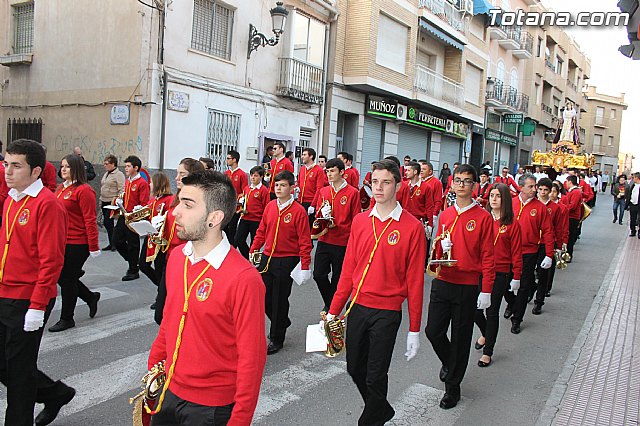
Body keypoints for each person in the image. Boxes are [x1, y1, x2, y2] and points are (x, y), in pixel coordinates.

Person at [147, 170, 266, 426]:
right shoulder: (178, 258)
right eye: (179, 201)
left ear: (214, 218)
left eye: (187, 204)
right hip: (169, 391)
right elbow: (169, 321)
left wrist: (240, 420)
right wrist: (154, 369)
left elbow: (251, 360)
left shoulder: (244, 279)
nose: (175, 212)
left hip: (212, 409)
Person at [326, 159, 426, 424]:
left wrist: (414, 329)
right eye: (375, 182)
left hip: (388, 311)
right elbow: (348, 271)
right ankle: (381, 409)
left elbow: (415, 281)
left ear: (397, 185)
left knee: (375, 374)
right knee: (354, 367)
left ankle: (371, 419)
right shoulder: (361, 221)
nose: (379, 188)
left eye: (386, 182)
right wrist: (333, 311)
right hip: (358, 307)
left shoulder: (413, 227)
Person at [0, 139, 75, 426]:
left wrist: (37, 305)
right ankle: (55, 393)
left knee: (19, 373)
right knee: (5, 365)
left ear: (35, 172)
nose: (8, 171)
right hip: (5, 293)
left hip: (28, 298)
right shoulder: (11, 199)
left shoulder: (48, 205)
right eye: (7, 164)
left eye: (16, 166)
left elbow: (51, 261)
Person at [426, 164, 494, 409]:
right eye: (458, 180)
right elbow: (437, 245)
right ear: (452, 183)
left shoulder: (483, 217)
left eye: (467, 181)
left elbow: (488, 256)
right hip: (443, 280)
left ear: (474, 185)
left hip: (467, 285)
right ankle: (450, 363)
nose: (462, 184)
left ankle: (452, 388)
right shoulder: (446, 214)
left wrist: (486, 289)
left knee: (461, 338)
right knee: (433, 332)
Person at [250, 170, 312, 355]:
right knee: (262, 296)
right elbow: (262, 230)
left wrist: (305, 265)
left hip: (287, 260)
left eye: (283, 185)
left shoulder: (298, 211)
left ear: (292, 188)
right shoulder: (270, 206)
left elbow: (304, 241)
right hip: (268, 257)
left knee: (279, 300)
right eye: (276, 185)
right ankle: (282, 321)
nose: (278, 188)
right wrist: (254, 248)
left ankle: (276, 338)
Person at [48, 154, 102, 332]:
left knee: (66, 279)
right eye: (62, 166)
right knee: (64, 278)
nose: (63, 169)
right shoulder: (61, 188)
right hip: (62, 240)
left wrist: (93, 246)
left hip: (78, 242)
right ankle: (90, 297)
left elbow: (89, 220)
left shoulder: (84, 190)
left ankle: (67, 318)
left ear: (76, 169)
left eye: (67, 167)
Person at [473, 183, 521, 368]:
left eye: (498, 196)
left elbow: (516, 252)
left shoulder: (511, 224)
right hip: (479, 270)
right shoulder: (483, 219)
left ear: (505, 200)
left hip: (500, 272)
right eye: (491, 195)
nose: (493, 199)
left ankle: (488, 351)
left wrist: (516, 275)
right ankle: (486, 333)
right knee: (474, 310)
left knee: (492, 311)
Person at [154, 158, 205, 324]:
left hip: (188, 260)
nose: (176, 178)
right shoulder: (175, 198)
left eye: (182, 174)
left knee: (182, 314)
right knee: (161, 314)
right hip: (170, 257)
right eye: (176, 173)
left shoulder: (200, 202)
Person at [504, 174, 554, 334]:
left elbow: (548, 231)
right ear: (521, 187)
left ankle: (517, 319)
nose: (534, 190)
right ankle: (511, 303)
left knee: (523, 286)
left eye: (535, 186)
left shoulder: (540, 208)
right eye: (531, 186)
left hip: (528, 252)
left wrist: (549, 254)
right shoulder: (510, 204)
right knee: (505, 284)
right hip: (507, 251)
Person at [312, 158, 360, 311]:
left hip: (342, 242)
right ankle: (332, 303)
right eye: (327, 171)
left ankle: (330, 308)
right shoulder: (324, 191)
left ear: (342, 172)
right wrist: (320, 215)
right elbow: (318, 216)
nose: (329, 174)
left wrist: (354, 242)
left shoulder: (353, 193)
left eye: (332, 171)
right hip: (325, 239)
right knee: (319, 275)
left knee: (337, 278)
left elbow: (356, 219)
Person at [113, 155, 150, 281]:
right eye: (126, 166)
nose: (126, 168)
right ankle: (132, 261)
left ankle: (133, 270)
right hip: (124, 215)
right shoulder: (128, 180)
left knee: (133, 244)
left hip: (133, 218)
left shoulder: (142, 183)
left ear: (136, 168)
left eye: (129, 166)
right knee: (116, 240)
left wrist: (136, 213)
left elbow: (144, 203)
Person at [529, 178, 562, 314]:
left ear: (550, 192)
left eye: (546, 190)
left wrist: (558, 246)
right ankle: (531, 289)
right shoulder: (531, 205)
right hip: (531, 243)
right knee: (528, 271)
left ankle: (539, 301)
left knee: (543, 273)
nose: (542, 192)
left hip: (545, 244)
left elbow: (558, 228)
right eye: (540, 189)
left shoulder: (555, 208)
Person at [138, 172, 173, 288]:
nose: (150, 184)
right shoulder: (152, 200)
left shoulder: (169, 200)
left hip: (161, 241)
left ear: (158, 184)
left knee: (159, 269)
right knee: (143, 265)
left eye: (152, 182)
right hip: (150, 238)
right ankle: (160, 288)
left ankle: (161, 295)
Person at [235, 166, 270, 259]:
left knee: (254, 243)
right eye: (251, 176)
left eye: (255, 176)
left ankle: (253, 261)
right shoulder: (247, 188)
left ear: (261, 177)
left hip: (256, 220)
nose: (253, 178)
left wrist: (264, 221)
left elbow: (266, 206)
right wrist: (241, 201)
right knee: (239, 239)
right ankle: (247, 258)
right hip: (245, 217)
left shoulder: (263, 190)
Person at [546, 181, 569, 296]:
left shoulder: (562, 208)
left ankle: (547, 287)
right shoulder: (541, 205)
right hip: (541, 240)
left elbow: (563, 226)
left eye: (554, 192)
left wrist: (563, 242)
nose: (551, 194)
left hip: (554, 240)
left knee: (550, 267)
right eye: (550, 191)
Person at [297, 147, 328, 231]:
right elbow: (299, 182)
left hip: (310, 202)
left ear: (311, 156)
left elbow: (319, 189)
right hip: (300, 201)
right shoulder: (302, 169)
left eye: (304, 155)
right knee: (299, 227)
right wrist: (297, 188)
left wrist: (313, 205)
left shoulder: (318, 170)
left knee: (308, 229)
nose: (302, 156)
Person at [99, 155, 125, 251]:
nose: (105, 165)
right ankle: (111, 243)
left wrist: (118, 200)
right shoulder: (107, 174)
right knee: (107, 223)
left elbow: (121, 189)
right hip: (104, 200)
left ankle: (114, 243)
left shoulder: (118, 175)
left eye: (107, 164)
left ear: (113, 164)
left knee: (108, 222)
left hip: (112, 201)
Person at [223, 150, 248, 247]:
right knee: (224, 227)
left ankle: (232, 247)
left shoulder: (242, 174)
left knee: (232, 228)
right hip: (226, 205)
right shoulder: (226, 173)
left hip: (236, 207)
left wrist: (240, 199)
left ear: (234, 160)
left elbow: (244, 190)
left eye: (229, 158)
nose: (227, 160)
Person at [562, 175, 583, 259]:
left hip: (572, 217)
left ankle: (568, 255)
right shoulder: (572, 191)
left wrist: (563, 208)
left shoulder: (576, 192)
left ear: (570, 182)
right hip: (570, 216)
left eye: (566, 182)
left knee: (570, 237)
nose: (566, 183)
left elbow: (573, 206)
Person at [419, 160, 443, 227]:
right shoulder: (419, 181)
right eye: (420, 169)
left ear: (430, 172)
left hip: (428, 215)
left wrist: (434, 215)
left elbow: (438, 200)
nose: (421, 171)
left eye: (424, 169)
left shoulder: (436, 182)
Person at [626, 172, 640, 238]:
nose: (633, 179)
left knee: (639, 219)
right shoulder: (633, 185)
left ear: (637, 178)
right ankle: (633, 231)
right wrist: (628, 204)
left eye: (633, 177)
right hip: (632, 204)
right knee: (632, 218)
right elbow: (629, 194)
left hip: (638, 205)